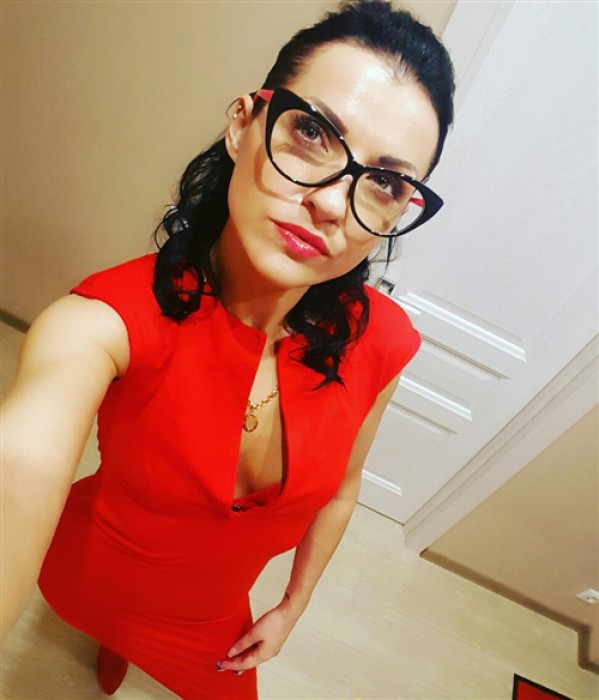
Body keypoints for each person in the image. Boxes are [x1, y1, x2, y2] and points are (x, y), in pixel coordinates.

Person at [0, 0, 455, 697]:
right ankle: (108, 644)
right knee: (102, 632)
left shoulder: (383, 341)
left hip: (210, 624)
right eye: (312, 131)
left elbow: (342, 488)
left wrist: (292, 606)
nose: (333, 204)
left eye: (387, 182)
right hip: (86, 577)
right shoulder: (101, 324)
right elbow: (17, 473)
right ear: (244, 124)